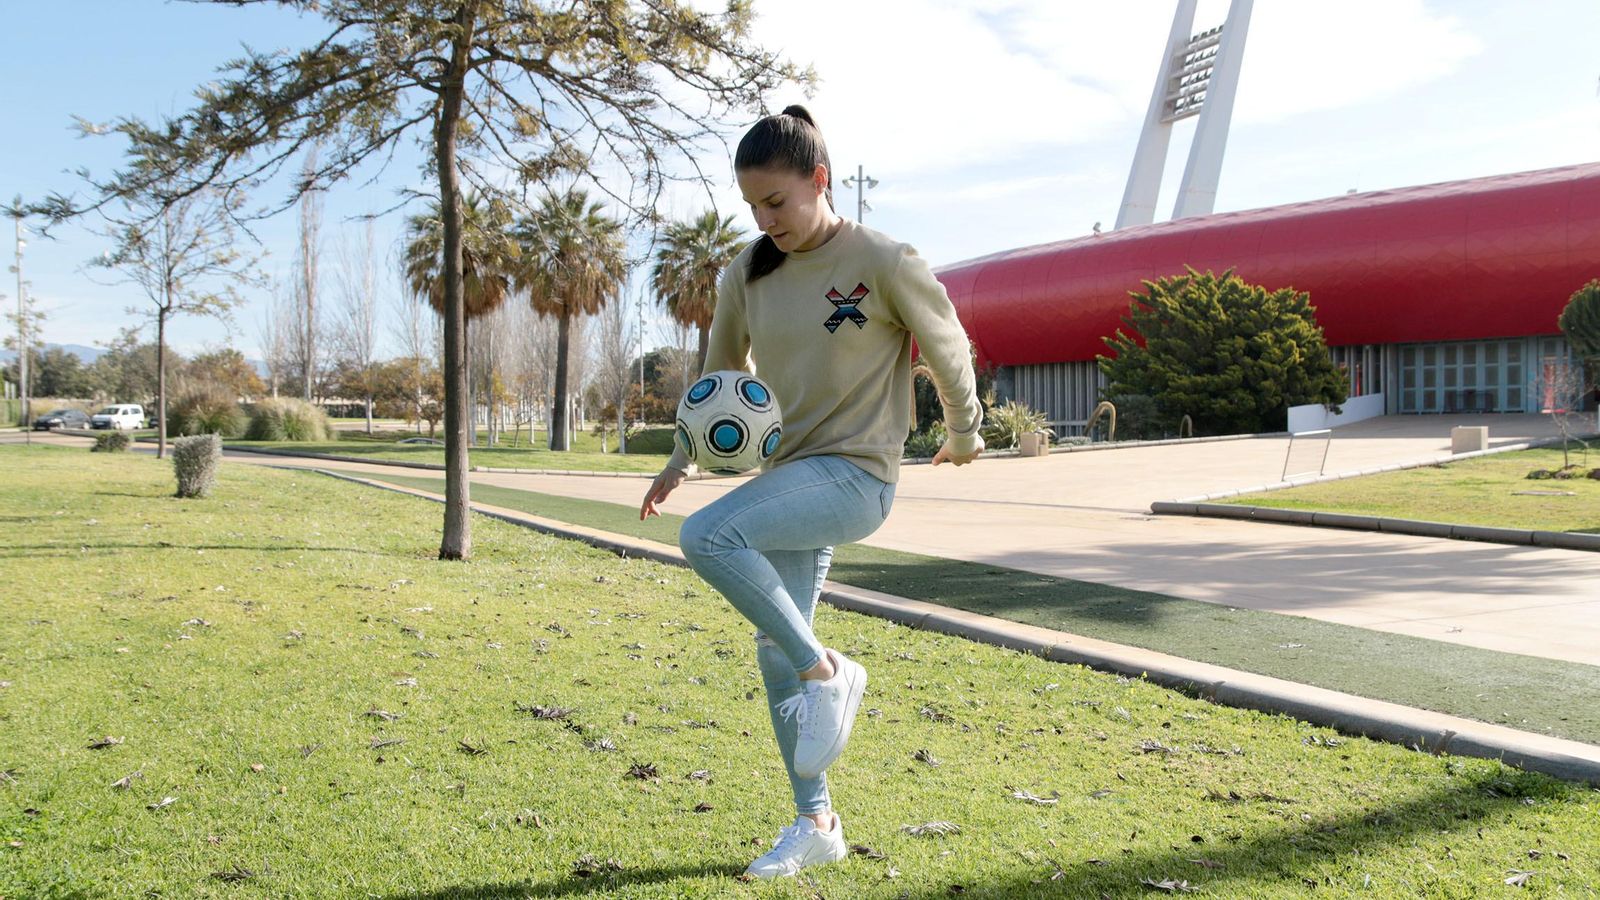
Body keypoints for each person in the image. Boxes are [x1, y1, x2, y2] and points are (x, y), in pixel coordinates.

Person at [638, 104, 983, 880]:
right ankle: (816, 821)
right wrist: (681, 460)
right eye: (754, 206)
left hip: (858, 476)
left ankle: (830, 670)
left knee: (709, 539)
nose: (766, 220)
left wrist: (964, 433)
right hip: (788, 482)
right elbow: (720, 383)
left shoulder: (884, 260)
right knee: (771, 649)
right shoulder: (746, 272)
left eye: (778, 202)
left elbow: (948, 344)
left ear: (819, 181)